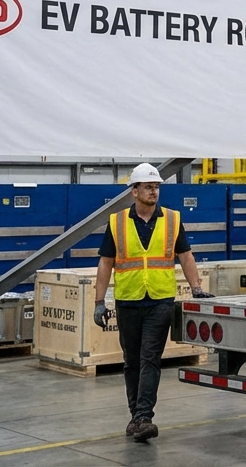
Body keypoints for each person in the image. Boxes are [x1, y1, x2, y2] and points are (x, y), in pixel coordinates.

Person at [93, 163, 213, 442]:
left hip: (160, 299)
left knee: (150, 358)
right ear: (134, 191)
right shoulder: (117, 221)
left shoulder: (172, 219)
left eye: (156, 186)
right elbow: (105, 262)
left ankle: (144, 416)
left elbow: (186, 255)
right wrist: (100, 302)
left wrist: (196, 288)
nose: (153, 191)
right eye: (148, 186)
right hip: (128, 299)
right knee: (131, 361)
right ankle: (136, 416)